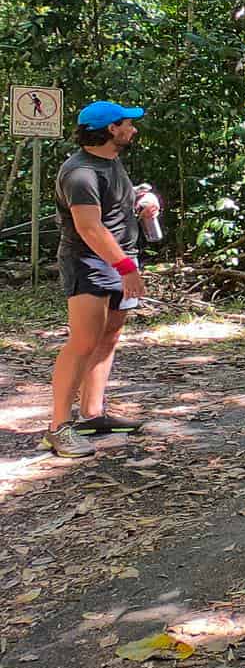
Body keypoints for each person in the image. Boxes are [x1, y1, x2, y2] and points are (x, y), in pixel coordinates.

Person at [44, 101, 161, 458]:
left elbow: (112, 205)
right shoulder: (79, 172)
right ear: (111, 129)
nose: (134, 129)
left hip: (120, 260)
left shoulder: (110, 162)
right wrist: (126, 268)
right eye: (128, 124)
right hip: (90, 264)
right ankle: (58, 427)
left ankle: (93, 415)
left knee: (108, 337)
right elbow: (89, 228)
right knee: (83, 341)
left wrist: (143, 200)